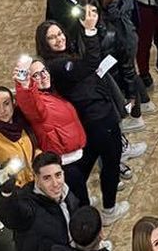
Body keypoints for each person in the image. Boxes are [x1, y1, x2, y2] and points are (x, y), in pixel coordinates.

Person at [35, 20, 130, 224]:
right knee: (111, 163)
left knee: (86, 165)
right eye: (51, 38)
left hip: (93, 119)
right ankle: (109, 209)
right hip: (98, 120)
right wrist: (90, 32)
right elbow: (89, 64)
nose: (59, 39)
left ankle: (79, 202)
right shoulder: (58, 65)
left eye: (59, 33)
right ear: (44, 44)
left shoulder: (64, 58)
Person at [0, 86, 37, 187]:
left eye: (6, 104)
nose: (2, 110)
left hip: (37, 184)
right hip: (16, 192)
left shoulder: (22, 120)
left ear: (13, 103)